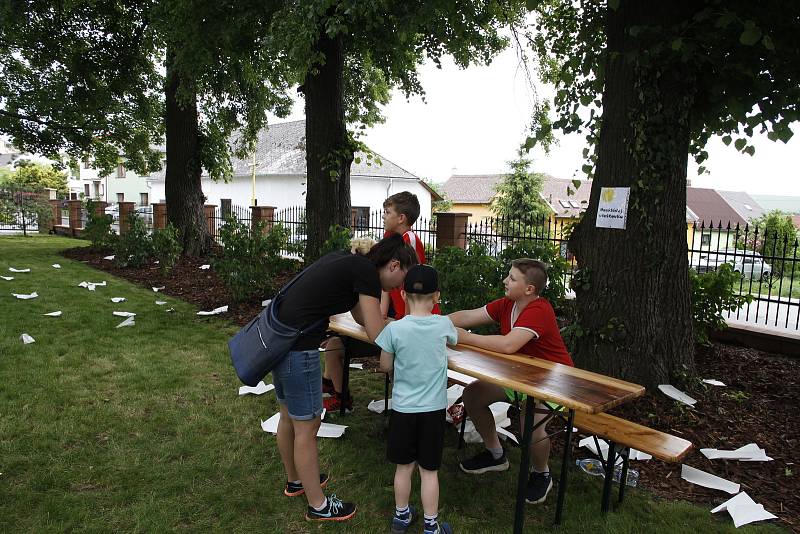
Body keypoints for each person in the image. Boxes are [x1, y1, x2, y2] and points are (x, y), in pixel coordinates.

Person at [271, 234, 418, 521]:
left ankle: (296, 480)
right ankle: (319, 505)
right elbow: (376, 335)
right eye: (400, 280)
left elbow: (364, 318)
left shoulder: (354, 264)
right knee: (308, 426)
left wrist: (399, 323)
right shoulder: (366, 275)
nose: (399, 287)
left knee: (289, 416)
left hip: (281, 339)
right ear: (394, 265)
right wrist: (412, 334)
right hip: (299, 348)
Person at [448, 258, 573, 505]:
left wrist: (465, 338)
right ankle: (496, 455)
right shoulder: (508, 304)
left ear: (530, 289)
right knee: (473, 395)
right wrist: (432, 322)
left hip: (554, 382)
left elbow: (508, 344)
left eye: (512, 278)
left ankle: (542, 474)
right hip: (521, 377)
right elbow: (470, 315)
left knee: (531, 425)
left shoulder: (540, 309)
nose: (505, 280)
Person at [322, 191, 436, 411]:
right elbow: (380, 287)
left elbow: (416, 286)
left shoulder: (408, 241)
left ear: (401, 217)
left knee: (396, 361)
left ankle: (406, 408)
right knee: (335, 345)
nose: (383, 216)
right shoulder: (389, 240)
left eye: (387, 212)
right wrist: (380, 314)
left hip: (409, 320)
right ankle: (337, 392)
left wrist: (408, 322)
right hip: (396, 320)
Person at [376, 265, 457, 534]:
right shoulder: (444, 324)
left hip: (403, 409)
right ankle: (431, 526)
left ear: (401, 294)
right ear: (437, 297)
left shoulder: (394, 330)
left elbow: (385, 365)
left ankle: (401, 516)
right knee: (429, 470)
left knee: (403, 467)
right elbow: (454, 340)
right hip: (433, 411)